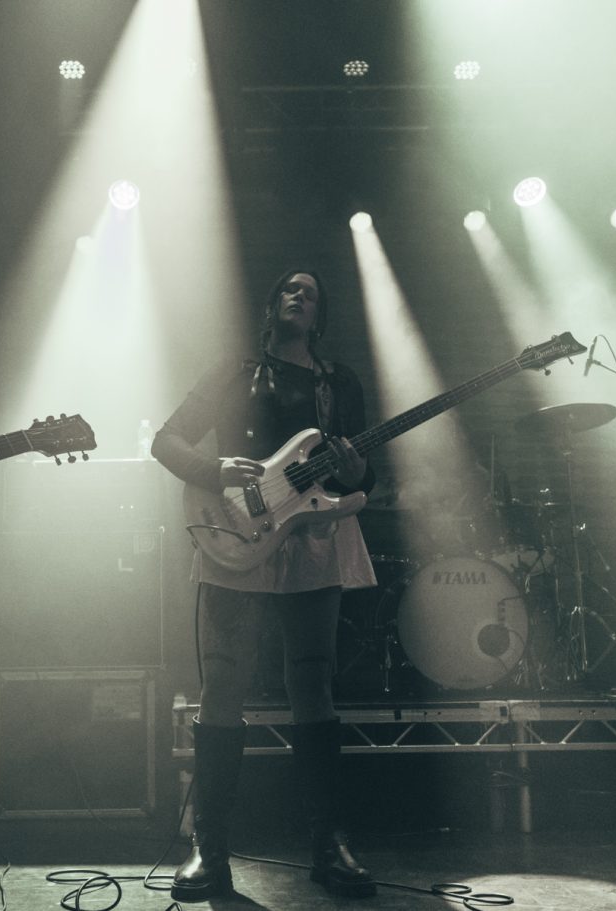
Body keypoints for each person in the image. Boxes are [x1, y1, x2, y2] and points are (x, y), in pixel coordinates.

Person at [151, 268, 378, 901]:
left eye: (311, 291)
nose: (299, 296)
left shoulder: (340, 385)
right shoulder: (231, 371)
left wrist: (362, 470)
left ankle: (329, 845)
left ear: (320, 314)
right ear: (271, 305)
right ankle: (210, 847)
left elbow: (365, 478)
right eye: (289, 289)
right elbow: (165, 442)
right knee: (224, 682)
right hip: (234, 533)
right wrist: (215, 466)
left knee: (314, 683)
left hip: (314, 540)